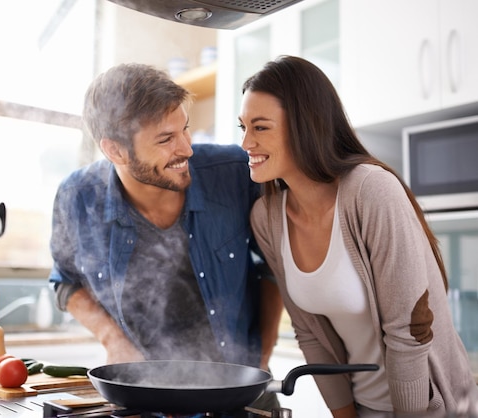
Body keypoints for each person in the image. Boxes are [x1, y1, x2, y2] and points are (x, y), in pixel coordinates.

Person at [238, 54, 478, 418]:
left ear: (305, 125)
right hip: (362, 409)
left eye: (260, 127)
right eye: (242, 127)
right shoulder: (267, 216)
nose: (245, 143)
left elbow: (409, 331)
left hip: (432, 410)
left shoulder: (371, 191)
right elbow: (310, 333)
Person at [48, 63, 283, 411]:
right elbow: (64, 282)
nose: (186, 148)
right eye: (166, 139)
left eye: (184, 130)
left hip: (239, 389)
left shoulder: (235, 172)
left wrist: (261, 358)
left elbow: (273, 265)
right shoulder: (77, 197)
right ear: (115, 151)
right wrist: (111, 338)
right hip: (143, 396)